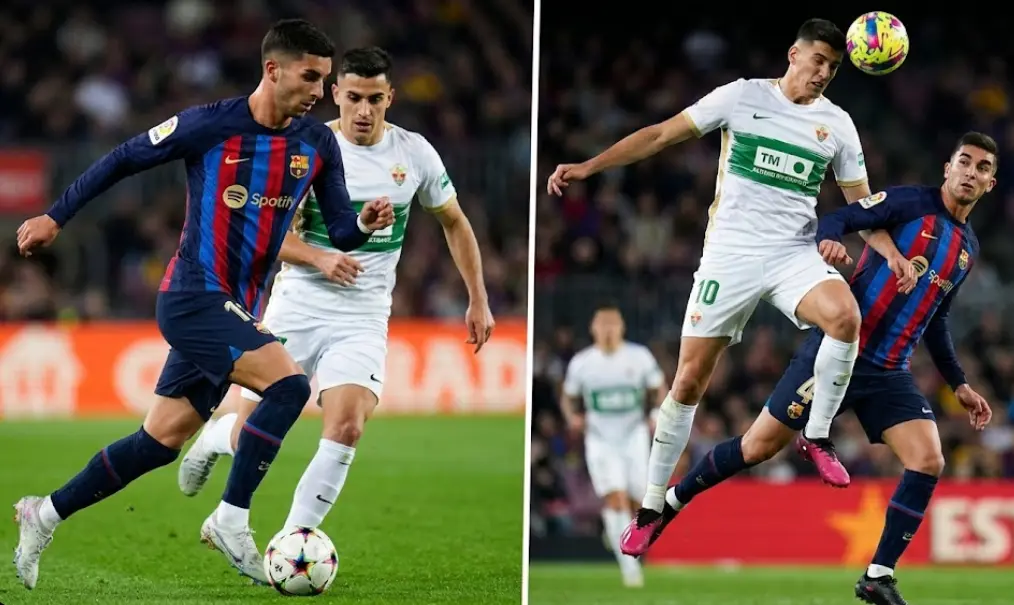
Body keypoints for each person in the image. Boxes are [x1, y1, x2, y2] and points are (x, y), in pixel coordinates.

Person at [11, 19, 395, 589]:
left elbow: (339, 229)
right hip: (193, 295)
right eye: (311, 77)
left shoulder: (316, 143)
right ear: (273, 69)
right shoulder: (210, 125)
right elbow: (123, 158)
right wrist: (54, 215)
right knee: (289, 387)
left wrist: (363, 224)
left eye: (324, 79)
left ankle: (42, 513)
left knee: (159, 441)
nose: (320, 92)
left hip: (236, 308)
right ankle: (231, 518)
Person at [547, 17, 919, 556]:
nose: (822, 73)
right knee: (689, 381)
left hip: (794, 252)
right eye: (817, 61)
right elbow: (659, 134)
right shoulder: (741, 97)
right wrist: (589, 166)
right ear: (793, 54)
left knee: (846, 315)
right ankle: (652, 507)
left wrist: (891, 253)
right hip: (731, 256)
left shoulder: (837, 125)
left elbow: (864, 205)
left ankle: (815, 435)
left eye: (833, 68)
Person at [641, 132, 997, 605]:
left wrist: (961, 384)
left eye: (982, 168)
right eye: (965, 163)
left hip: (890, 371)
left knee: (929, 459)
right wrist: (829, 242)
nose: (971, 173)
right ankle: (670, 503)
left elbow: (938, 318)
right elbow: (839, 217)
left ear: (991, 183)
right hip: (837, 355)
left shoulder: (967, 248)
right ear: (947, 168)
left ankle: (878, 575)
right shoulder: (910, 202)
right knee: (756, 447)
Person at [175, 46, 495, 536]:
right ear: (334, 95)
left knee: (347, 427)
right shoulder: (304, 148)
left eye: (374, 99)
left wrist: (478, 297)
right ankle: (218, 436)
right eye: (353, 98)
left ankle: (295, 541)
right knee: (249, 435)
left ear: (390, 97)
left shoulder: (414, 153)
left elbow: (454, 221)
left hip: (363, 316)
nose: (363, 111)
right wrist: (320, 256)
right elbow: (261, 232)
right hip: (298, 304)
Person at [559, 305, 665, 588]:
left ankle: (615, 529)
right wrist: (572, 417)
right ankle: (629, 569)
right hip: (600, 439)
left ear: (621, 327)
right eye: (602, 324)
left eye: (612, 324)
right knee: (614, 497)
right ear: (593, 329)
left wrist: (656, 414)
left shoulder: (639, 357)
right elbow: (568, 397)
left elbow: (659, 388)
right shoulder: (582, 363)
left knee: (636, 501)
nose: (607, 330)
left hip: (633, 436)